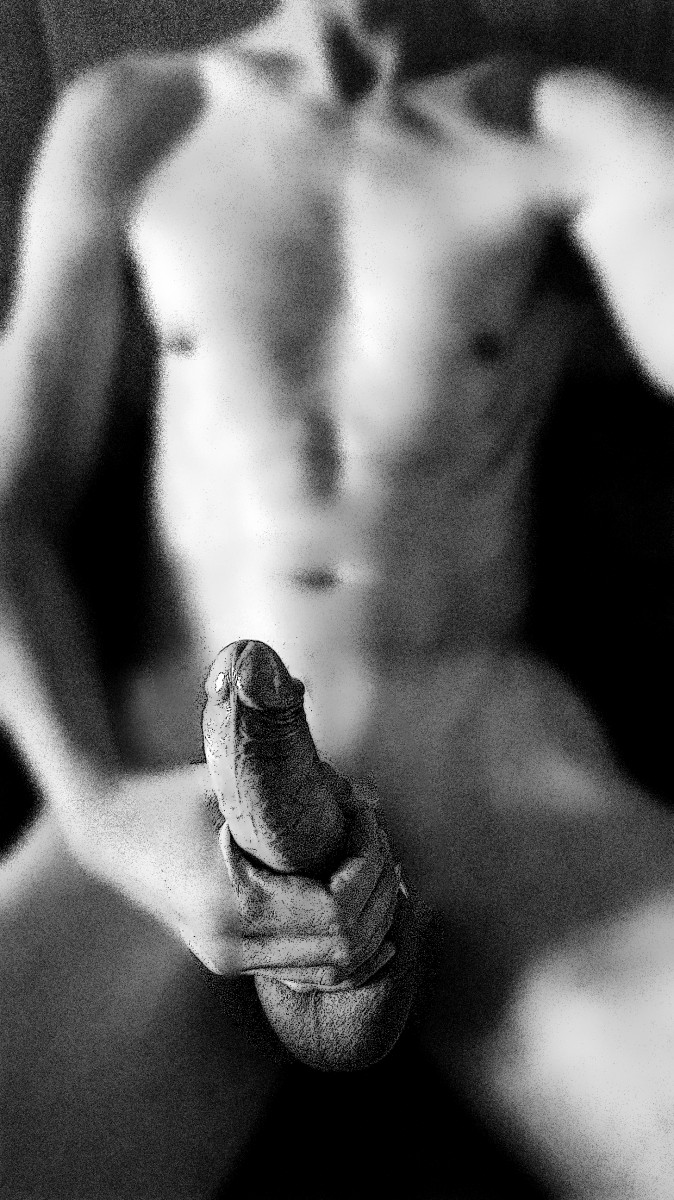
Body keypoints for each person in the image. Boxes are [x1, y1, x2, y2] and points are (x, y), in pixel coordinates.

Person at [3, 3, 674, 1197]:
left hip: (484, 764)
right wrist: (101, 814)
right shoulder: (140, 114)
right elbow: (9, 507)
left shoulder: (561, 125)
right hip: (175, 778)